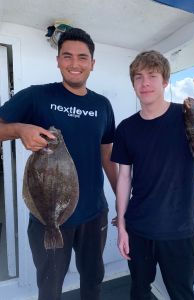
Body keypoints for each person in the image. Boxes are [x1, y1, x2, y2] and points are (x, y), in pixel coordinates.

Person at [0, 28, 118, 300]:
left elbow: (107, 155)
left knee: (93, 281)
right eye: (67, 56)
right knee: (50, 288)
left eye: (82, 57)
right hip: (47, 217)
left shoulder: (102, 104)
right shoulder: (36, 96)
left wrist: (124, 200)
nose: (74, 64)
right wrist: (19, 129)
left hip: (93, 214)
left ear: (92, 63)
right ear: (57, 60)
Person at [111, 50, 194, 300]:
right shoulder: (126, 128)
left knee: (182, 294)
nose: (145, 83)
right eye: (138, 77)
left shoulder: (189, 114)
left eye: (152, 75)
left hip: (180, 229)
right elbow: (124, 179)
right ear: (133, 84)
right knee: (139, 291)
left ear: (165, 81)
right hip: (138, 227)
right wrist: (121, 225)